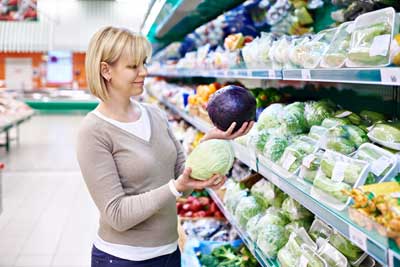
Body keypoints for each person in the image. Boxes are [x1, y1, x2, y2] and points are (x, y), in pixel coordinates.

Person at [76, 26, 254, 267]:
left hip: (169, 253)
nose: (144, 72)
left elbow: (185, 182)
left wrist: (209, 144)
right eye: (133, 66)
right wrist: (175, 188)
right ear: (106, 70)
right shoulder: (94, 130)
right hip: (122, 259)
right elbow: (116, 215)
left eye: (144, 63)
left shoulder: (156, 116)